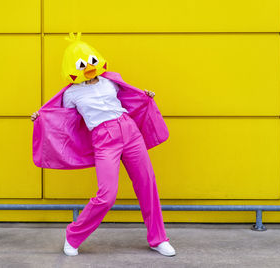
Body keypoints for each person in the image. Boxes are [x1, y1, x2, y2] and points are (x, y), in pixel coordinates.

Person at [31, 32, 175, 257]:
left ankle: (158, 238)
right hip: (104, 138)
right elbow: (59, 119)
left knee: (147, 184)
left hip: (129, 131)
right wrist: (40, 118)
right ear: (72, 67)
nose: (88, 67)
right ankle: (73, 235)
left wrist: (145, 96)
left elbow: (130, 97)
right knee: (107, 195)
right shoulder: (71, 94)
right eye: (81, 64)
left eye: (91, 61)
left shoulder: (110, 80)